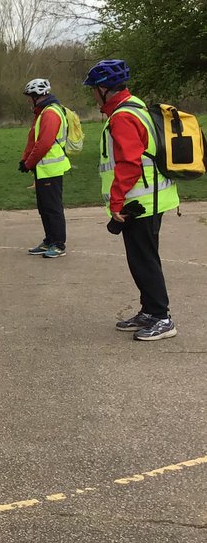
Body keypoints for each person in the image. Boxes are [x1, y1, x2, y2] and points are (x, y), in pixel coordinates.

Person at [83, 59, 179, 341]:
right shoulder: (135, 105)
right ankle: (150, 311)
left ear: (103, 89)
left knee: (144, 261)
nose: (92, 95)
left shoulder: (123, 117)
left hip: (140, 201)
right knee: (142, 258)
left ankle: (161, 318)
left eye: (93, 89)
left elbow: (129, 164)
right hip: (149, 198)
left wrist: (116, 202)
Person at [18, 78, 71, 259]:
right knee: (44, 207)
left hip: (51, 168)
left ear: (37, 96)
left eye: (30, 96)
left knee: (52, 207)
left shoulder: (50, 113)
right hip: (44, 169)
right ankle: (49, 240)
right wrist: (25, 159)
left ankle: (58, 244)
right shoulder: (42, 112)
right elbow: (33, 138)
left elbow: (44, 143)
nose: (28, 100)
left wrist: (29, 163)